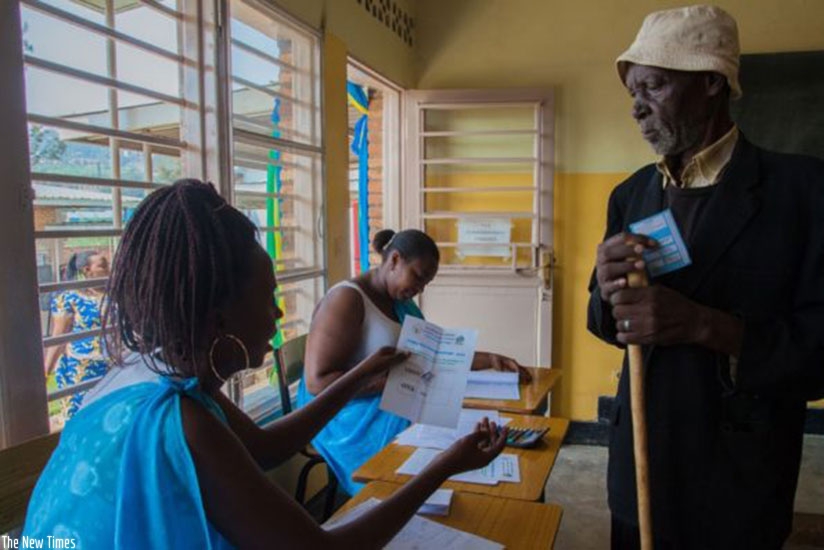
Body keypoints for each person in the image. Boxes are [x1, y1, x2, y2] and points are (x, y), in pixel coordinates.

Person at [24, 180, 507, 548]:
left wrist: (361, 372)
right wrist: (448, 463)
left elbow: (267, 446)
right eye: (269, 295)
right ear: (220, 315)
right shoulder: (184, 421)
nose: (278, 313)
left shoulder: (154, 372)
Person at [587, 6, 824, 549]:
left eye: (654, 86)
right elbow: (602, 321)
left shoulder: (802, 192)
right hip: (638, 471)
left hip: (737, 484)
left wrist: (705, 326)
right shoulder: (632, 194)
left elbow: (819, 351)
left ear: (712, 81)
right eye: (632, 93)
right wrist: (605, 293)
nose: (637, 108)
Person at [298, 228, 531, 496]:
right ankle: (397, 503)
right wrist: (389, 384)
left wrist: (491, 359)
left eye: (425, 284)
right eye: (417, 277)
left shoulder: (398, 301)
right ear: (394, 260)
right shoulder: (346, 300)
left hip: (390, 398)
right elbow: (317, 383)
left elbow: (435, 352)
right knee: (432, 451)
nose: (418, 289)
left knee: (454, 434)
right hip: (344, 416)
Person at [44, 250, 110, 418]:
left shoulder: (113, 295)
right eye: (103, 266)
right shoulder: (69, 299)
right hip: (80, 371)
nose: (109, 269)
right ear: (87, 270)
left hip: (111, 368)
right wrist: (46, 372)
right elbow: (58, 339)